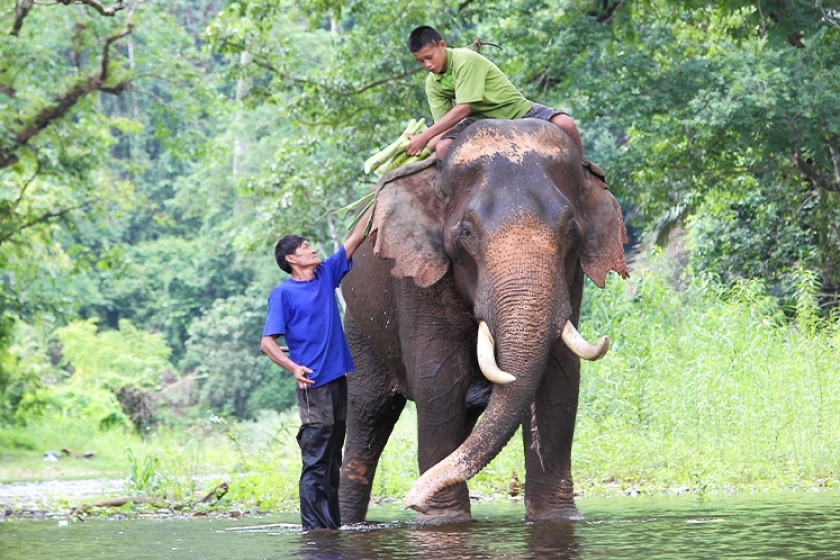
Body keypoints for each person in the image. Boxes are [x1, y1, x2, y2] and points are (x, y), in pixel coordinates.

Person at [260, 206, 372, 530]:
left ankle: (330, 529)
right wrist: (293, 367)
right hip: (313, 385)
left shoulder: (325, 276)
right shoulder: (283, 293)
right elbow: (267, 342)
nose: (312, 249)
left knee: (333, 458)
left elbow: (355, 238)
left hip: (337, 379)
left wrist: (378, 195)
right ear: (292, 259)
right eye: (306, 247)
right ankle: (314, 532)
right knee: (316, 460)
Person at [406, 25, 597, 178]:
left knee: (566, 123)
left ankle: (582, 174)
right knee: (444, 147)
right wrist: (420, 146)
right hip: (480, 122)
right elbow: (444, 124)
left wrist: (423, 138)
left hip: (517, 111)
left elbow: (463, 109)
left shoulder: (465, 60)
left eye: (429, 57)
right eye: (420, 62)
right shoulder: (433, 83)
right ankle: (452, 200)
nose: (427, 65)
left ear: (442, 45)